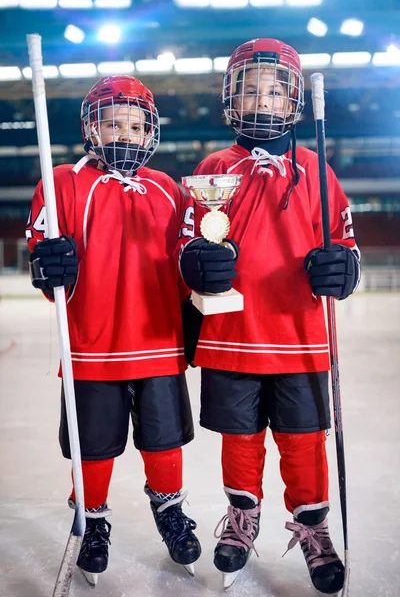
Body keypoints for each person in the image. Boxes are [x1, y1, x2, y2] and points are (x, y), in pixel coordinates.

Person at [179, 39, 360, 592]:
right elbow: (189, 241)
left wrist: (342, 268)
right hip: (231, 336)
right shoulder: (214, 169)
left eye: (274, 90)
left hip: (299, 337)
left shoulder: (317, 171)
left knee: (304, 439)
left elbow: (344, 242)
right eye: (250, 88)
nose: (262, 99)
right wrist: (196, 261)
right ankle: (242, 517)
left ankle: (313, 526)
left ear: (293, 102)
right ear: (231, 97)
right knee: (240, 438)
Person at [26, 75, 201, 585]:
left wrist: (203, 267)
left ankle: (170, 512)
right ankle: (94, 519)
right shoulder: (60, 182)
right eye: (111, 123)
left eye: (134, 124)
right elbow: (47, 267)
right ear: (91, 128)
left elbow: (183, 264)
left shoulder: (170, 189)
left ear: (150, 132)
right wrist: (48, 266)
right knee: (94, 445)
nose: (123, 134)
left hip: (157, 343)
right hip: (91, 344)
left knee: (164, 440)